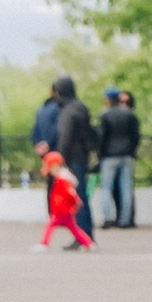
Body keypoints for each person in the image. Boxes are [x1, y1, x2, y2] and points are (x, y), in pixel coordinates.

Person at [52, 78, 96, 242]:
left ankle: (82, 237)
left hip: (72, 159)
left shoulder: (68, 111)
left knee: (76, 198)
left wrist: (60, 159)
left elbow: (65, 136)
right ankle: (86, 234)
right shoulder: (80, 107)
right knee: (81, 195)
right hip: (82, 156)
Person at [96, 90, 142, 228]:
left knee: (106, 187)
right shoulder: (129, 114)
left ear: (107, 99)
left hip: (109, 156)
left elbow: (101, 137)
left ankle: (108, 217)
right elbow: (136, 136)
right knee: (126, 188)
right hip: (126, 155)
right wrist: (131, 150)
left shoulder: (104, 114)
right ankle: (125, 220)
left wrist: (100, 154)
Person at [35, 151, 93, 250]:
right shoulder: (61, 178)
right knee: (74, 229)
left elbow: (70, 193)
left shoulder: (62, 180)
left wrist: (76, 201)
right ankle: (88, 243)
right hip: (64, 210)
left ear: (56, 166)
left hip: (61, 210)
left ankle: (43, 243)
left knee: (49, 226)